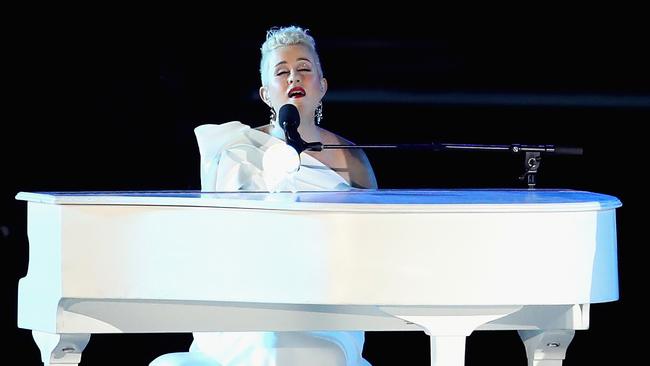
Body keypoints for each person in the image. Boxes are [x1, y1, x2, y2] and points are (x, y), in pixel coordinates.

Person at [150, 26, 376, 366]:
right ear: (266, 93)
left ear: (322, 84)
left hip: (326, 304)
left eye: (304, 69)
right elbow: (219, 235)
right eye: (281, 72)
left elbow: (371, 242)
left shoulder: (351, 158)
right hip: (248, 300)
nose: (293, 78)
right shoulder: (238, 150)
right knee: (269, 343)